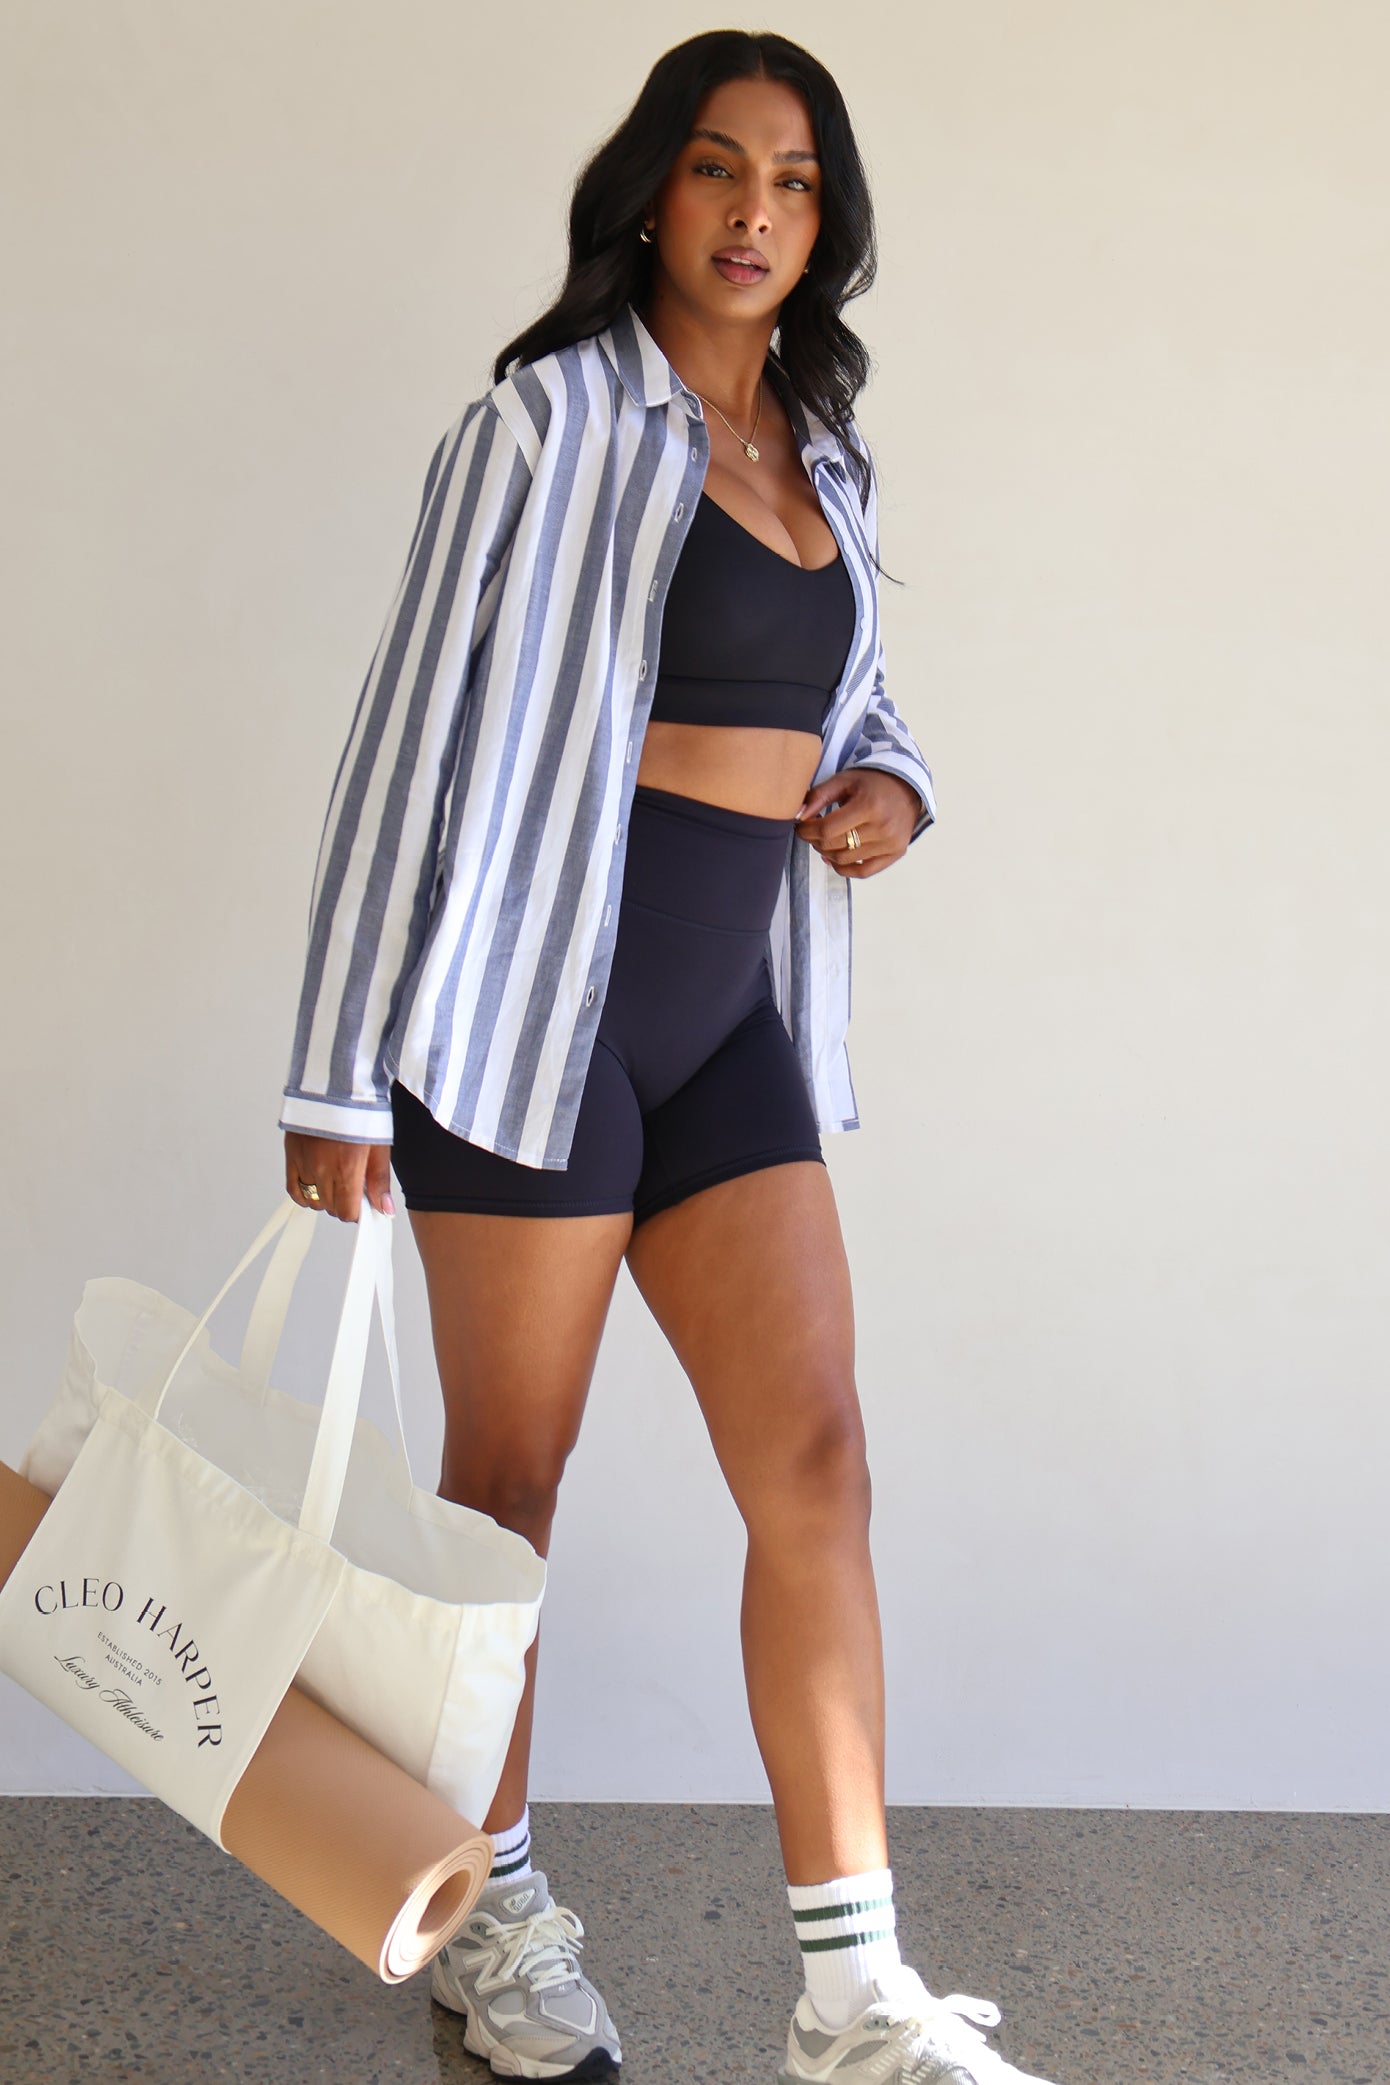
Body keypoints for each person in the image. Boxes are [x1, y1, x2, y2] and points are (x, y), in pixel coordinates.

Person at [278, 28, 1057, 2085]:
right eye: (718, 168)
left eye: (792, 183)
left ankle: (851, 1993)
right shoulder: (535, 428)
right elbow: (402, 748)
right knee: (504, 1505)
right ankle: (491, 1918)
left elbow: (853, 703)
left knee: (816, 1462)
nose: (751, 212)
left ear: (823, 227)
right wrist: (333, 1071)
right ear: (651, 190)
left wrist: (889, 789)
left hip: (728, 1023)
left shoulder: (827, 459)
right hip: (524, 1019)